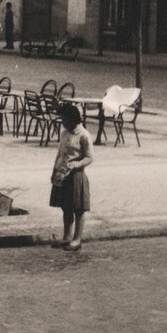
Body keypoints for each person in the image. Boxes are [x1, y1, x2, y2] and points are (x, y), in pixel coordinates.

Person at [49, 100, 94, 250]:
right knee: (65, 207)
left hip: (76, 176)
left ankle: (77, 239)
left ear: (72, 119)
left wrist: (77, 164)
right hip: (62, 174)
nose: (62, 122)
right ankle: (67, 236)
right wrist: (54, 171)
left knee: (78, 209)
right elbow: (59, 153)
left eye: (64, 119)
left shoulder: (84, 135)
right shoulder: (64, 133)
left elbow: (90, 157)